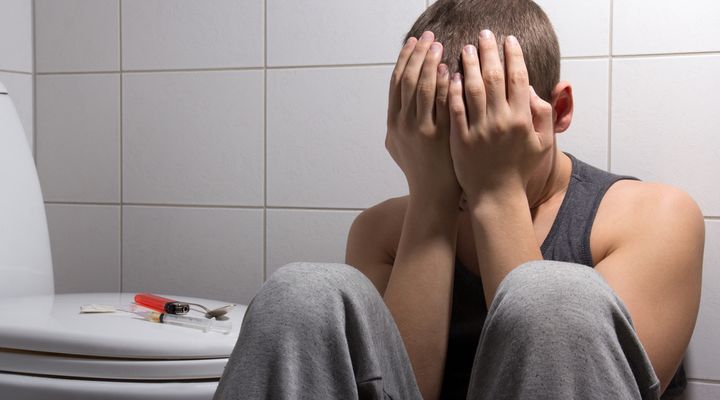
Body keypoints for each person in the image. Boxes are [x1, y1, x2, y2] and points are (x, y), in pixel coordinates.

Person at [214, 1, 704, 399]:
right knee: (301, 290)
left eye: (484, 132)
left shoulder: (654, 217)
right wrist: (431, 199)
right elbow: (398, 389)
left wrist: (496, 191)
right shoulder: (381, 232)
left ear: (558, 110)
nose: (463, 160)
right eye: (442, 138)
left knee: (553, 295)